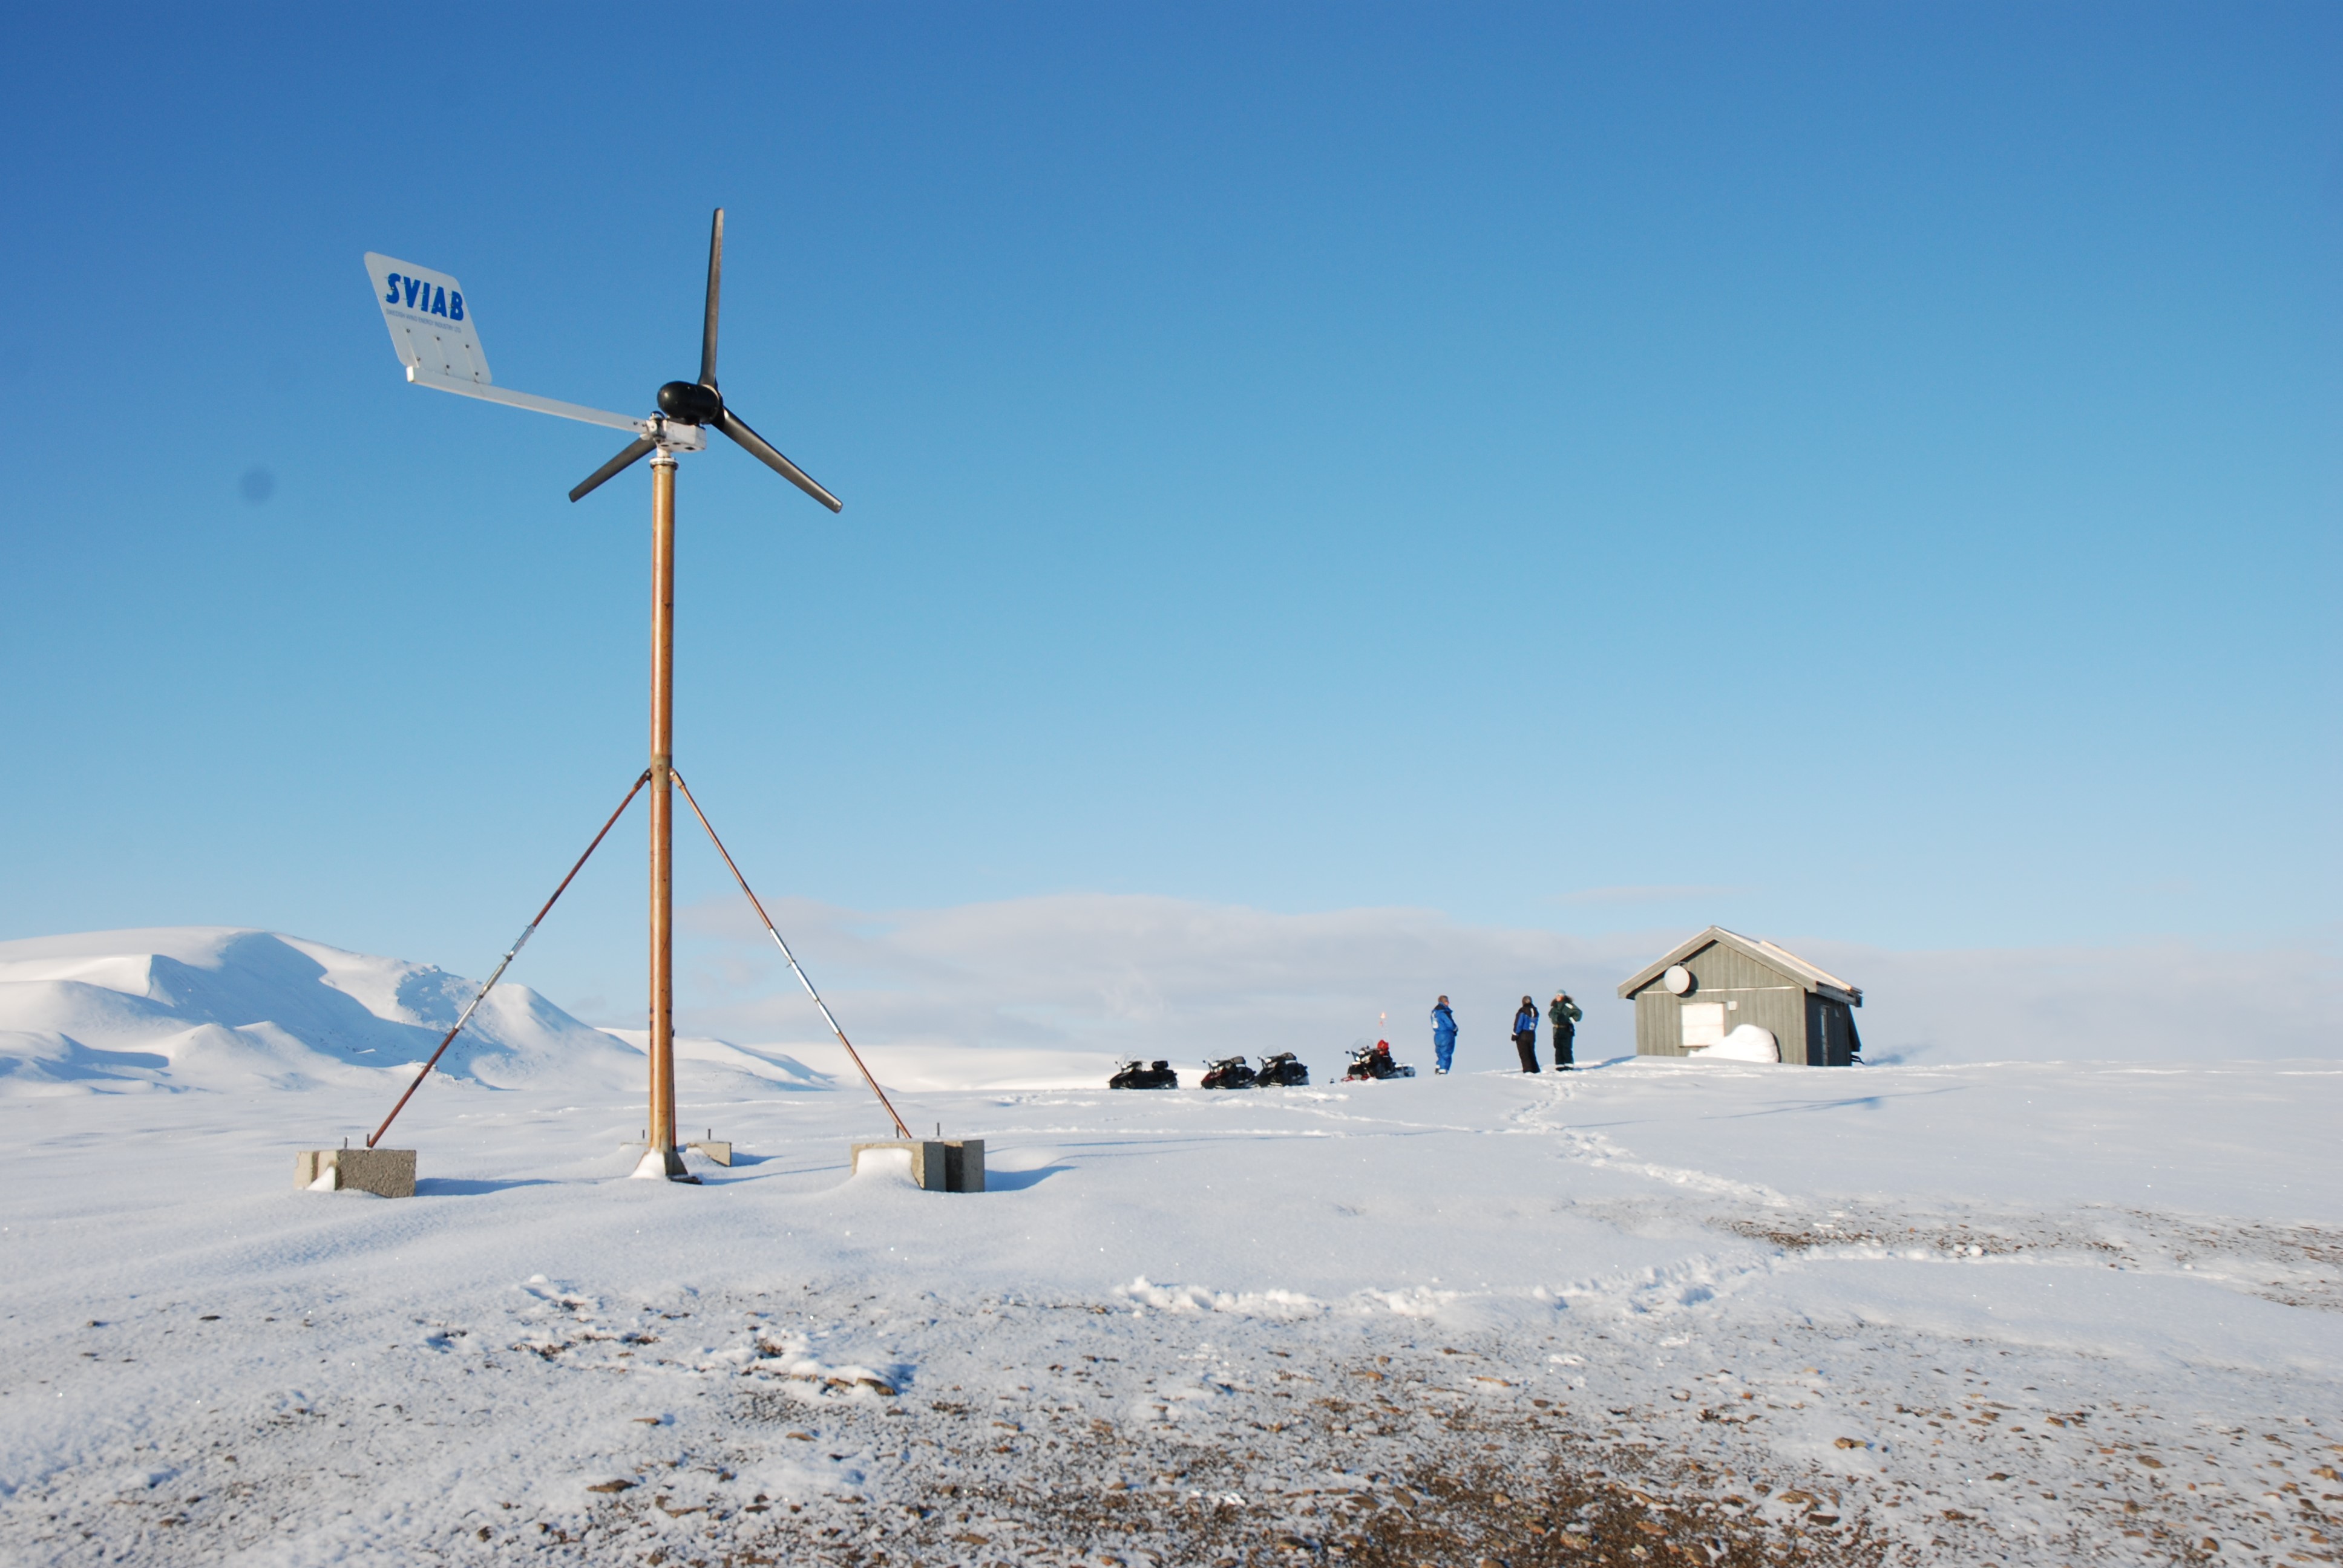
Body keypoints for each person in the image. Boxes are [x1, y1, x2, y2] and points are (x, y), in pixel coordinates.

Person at [1548, 990, 1582, 1070]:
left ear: (1562, 996)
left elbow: (1579, 1014)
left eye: (1558, 995)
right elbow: (1550, 1015)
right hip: (1557, 1030)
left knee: (1566, 1048)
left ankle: (1569, 1066)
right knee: (1558, 1048)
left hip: (1567, 1030)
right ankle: (1559, 1066)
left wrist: (1570, 1020)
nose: (1557, 997)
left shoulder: (1569, 1006)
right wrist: (1554, 1020)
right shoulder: (1554, 1007)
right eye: (1556, 995)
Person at [1511, 995, 1541, 1073]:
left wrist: (1515, 1034)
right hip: (1532, 1034)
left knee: (1525, 1054)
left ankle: (1528, 1071)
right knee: (1531, 1052)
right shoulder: (1535, 1011)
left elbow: (1519, 1023)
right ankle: (1536, 1070)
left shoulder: (1523, 1011)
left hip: (1523, 1035)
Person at [1430, 996, 1458, 1074]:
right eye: (1447, 1001)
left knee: (1440, 1052)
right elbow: (1449, 1024)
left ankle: (1438, 1066)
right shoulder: (1443, 1012)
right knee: (1446, 1052)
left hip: (1437, 1035)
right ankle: (1443, 1069)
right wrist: (1455, 1028)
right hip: (1446, 1035)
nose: (1448, 1003)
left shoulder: (1434, 1013)